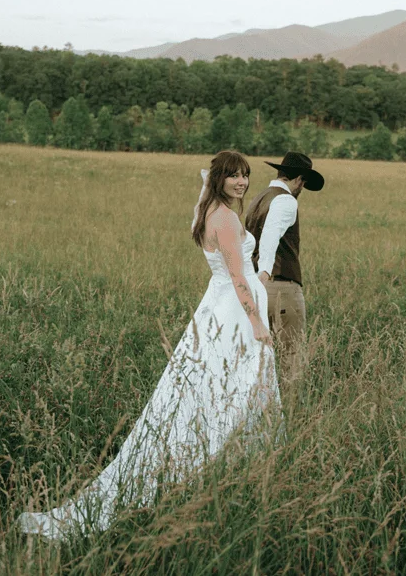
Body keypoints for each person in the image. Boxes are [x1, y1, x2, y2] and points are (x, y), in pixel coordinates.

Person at [19, 150, 280, 540]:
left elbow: (206, 222)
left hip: (218, 306)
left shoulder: (208, 210)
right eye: (234, 177)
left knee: (223, 389)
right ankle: (215, 465)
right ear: (221, 179)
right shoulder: (224, 218)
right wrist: (258, 323)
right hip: (232, 313)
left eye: (245, 176)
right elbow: (240, 279)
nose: (242, 182)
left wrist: (204, 188)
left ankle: (232, 468)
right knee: (233, 390)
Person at [244, 151, 324, 357]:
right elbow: (271, 234)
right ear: (298, 179)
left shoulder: (259, 198)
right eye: (303, 183)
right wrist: (265, 271)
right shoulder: (286, 200)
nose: (302, 189)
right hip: (280, 288)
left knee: (260, 361)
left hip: (254, 287)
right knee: (291, 361)